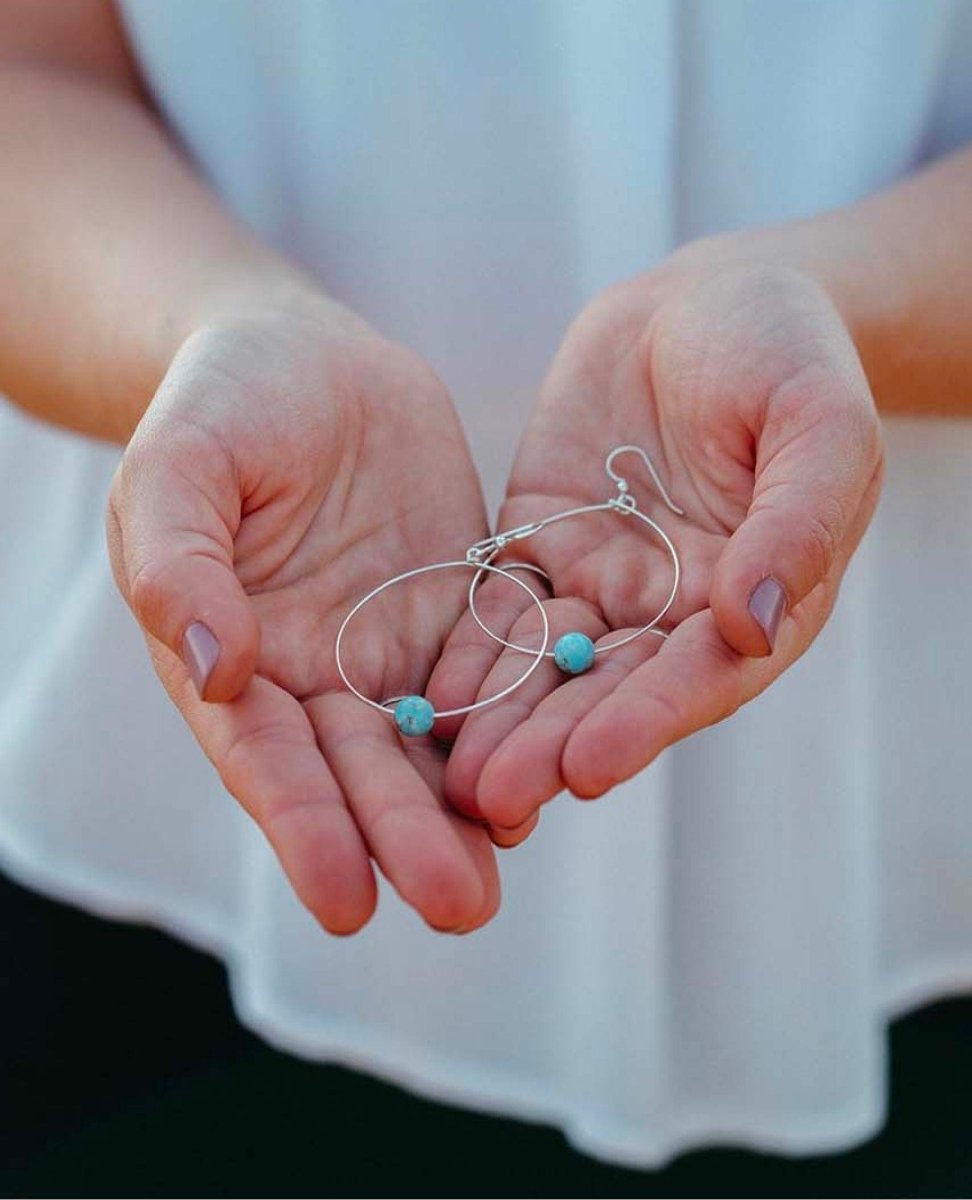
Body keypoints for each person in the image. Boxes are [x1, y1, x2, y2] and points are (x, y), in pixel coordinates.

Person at [0, 0, 970, 1166]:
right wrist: (210, 326)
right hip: (153, 836)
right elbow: (29, 79)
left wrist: (842, 305)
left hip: (907, 830)